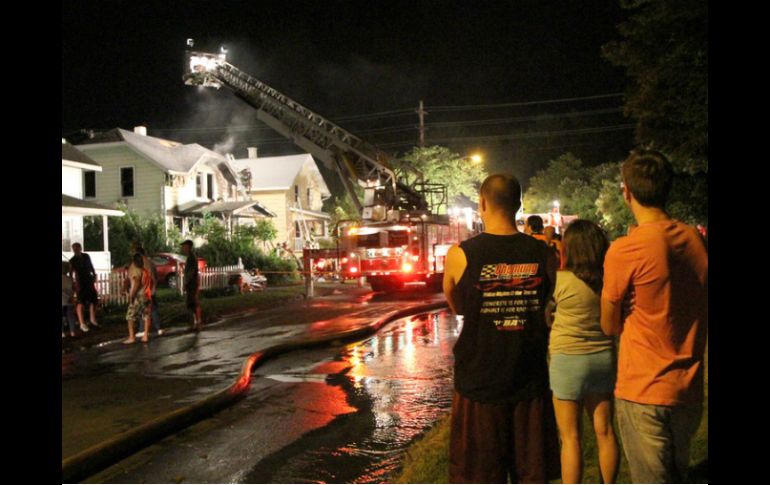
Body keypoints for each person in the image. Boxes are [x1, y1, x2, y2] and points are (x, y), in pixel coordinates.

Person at [443, 173, 560, 483]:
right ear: (518, 205)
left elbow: (458, 306)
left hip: (479, 382)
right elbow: (547, 300)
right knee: (531, 474)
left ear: (482, 203)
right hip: (529, 377)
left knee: (479, 475)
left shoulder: (460, 254)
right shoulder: (544, 254)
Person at [601, 149, 708, 483]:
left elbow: (608, 324)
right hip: (687, 388)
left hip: (644, 389)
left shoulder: (626, 249)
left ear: (627, 193)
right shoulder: (693, 239)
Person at [546, 220, 619, 483]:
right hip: (602, 358)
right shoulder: (608, 280)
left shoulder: (558, 281)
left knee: (570, 438)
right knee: (605, 431)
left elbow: (546, 318)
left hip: (566, 361)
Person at [69, 242, 100, 331]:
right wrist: (73, 283)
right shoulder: (72, 260)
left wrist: (94, 274)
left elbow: (91, 266)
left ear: (80, 248)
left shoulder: (86, 256)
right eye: (74, 248)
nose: (76, 250)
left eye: (77, 248)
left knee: (93, 300)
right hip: (80, 282)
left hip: (89, 280)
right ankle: (82, 323)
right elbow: (71, 273)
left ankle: (92, 319)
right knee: (81, 301)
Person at [123, 253, 152, 344]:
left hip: (139, 296)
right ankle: (145, 336)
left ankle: (131, 337)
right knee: (146, 316)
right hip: (147, 295)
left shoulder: (137, 271)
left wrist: (132, 296)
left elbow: (136, 283)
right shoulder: (145, 271)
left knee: (130, 316)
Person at [135, 245, 162, 336]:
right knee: (153, 309)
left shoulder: (143, 264)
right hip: (151, 289)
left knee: (144, 309)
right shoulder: (150, 263)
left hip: (146, 290)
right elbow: (155, 277)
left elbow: (147, 277)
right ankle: (157, 328)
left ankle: (143, 329)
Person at [181, 240, 203, 331]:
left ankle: (197, 322)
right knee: (191, 303)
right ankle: (195, 322)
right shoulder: (190, 257)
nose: (183, 248)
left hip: (192, 284)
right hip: (191, 283)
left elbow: (191, 272)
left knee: (193, 303)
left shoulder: (191, 258)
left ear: (188, 247)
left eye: (184, 246)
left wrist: (186, 283)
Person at [61, 261, 77, 338]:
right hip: (69, 300)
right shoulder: (70, 279)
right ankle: (72, 332)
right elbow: (74, 289)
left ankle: (62, 333)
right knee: (70, 316)